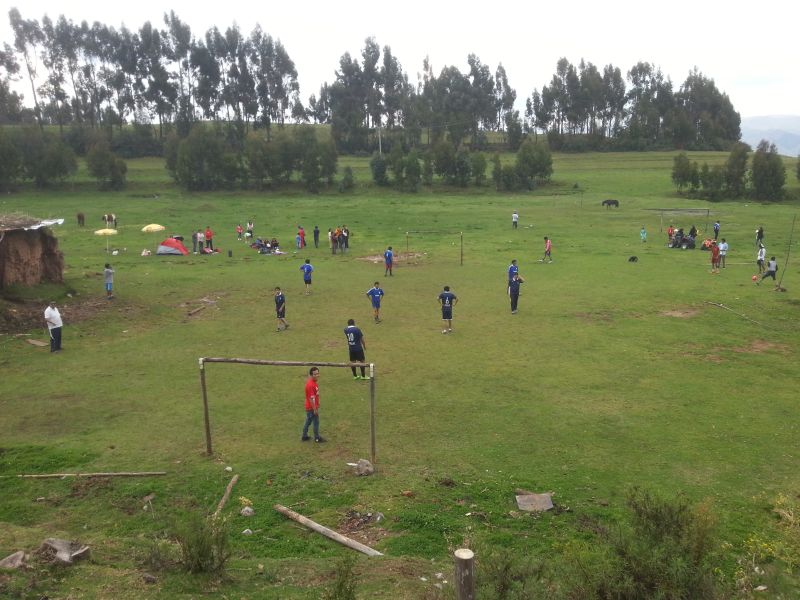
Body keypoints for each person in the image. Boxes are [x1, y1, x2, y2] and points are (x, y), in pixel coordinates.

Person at [301, 367, 324, 442]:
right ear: (311, 375)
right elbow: (311, 398)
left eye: (318, 373)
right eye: (315, 374)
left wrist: (318, 403)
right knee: (316, 422)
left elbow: (315, 395)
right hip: (311, 408)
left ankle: (304, 436)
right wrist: (315, 409)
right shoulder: (311, 385)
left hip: (310, 407)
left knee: (308, 421)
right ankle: (317, 438)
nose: (317, 375)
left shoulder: (313, 382)